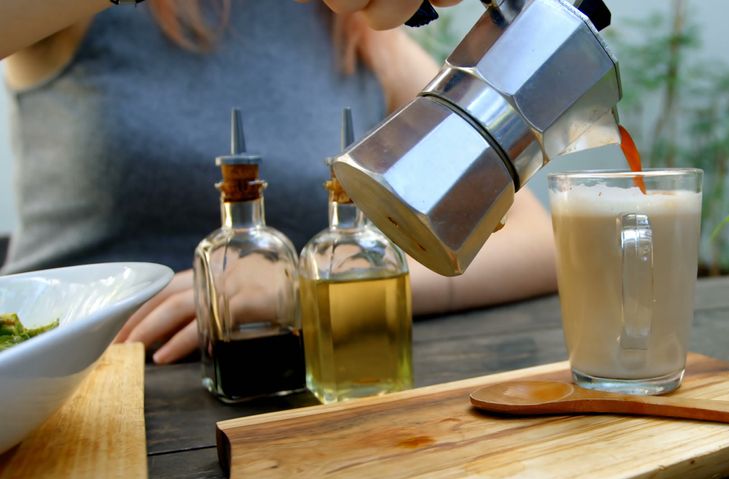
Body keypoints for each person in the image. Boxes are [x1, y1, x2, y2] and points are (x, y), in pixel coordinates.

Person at [0, 0, 557, 364]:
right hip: (56, 385)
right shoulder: (86, 18)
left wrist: (315, 289)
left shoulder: (361, 32)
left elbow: (538, 240)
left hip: (277, 398)